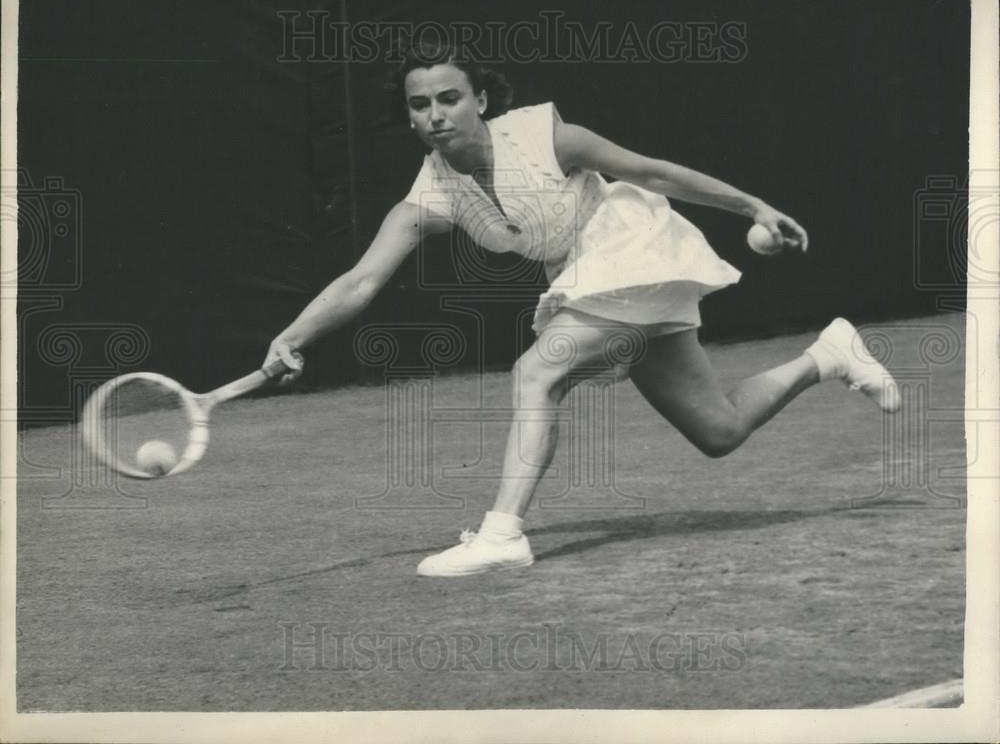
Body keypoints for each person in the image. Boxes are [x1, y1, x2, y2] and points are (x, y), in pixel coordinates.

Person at [263, 39, 900, 578]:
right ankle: (828, 354)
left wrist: (752, 206)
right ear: (409, 116)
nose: (435, 114)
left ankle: (504, 533)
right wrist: (294, 335)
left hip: (631, 246)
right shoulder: (429, 195)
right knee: (719, 431)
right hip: (590, 276)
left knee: (537, 372)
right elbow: (361, 282)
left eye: (449, 97)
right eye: (420, 103)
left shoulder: (546, 136)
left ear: (480, 100)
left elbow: (653, 173)